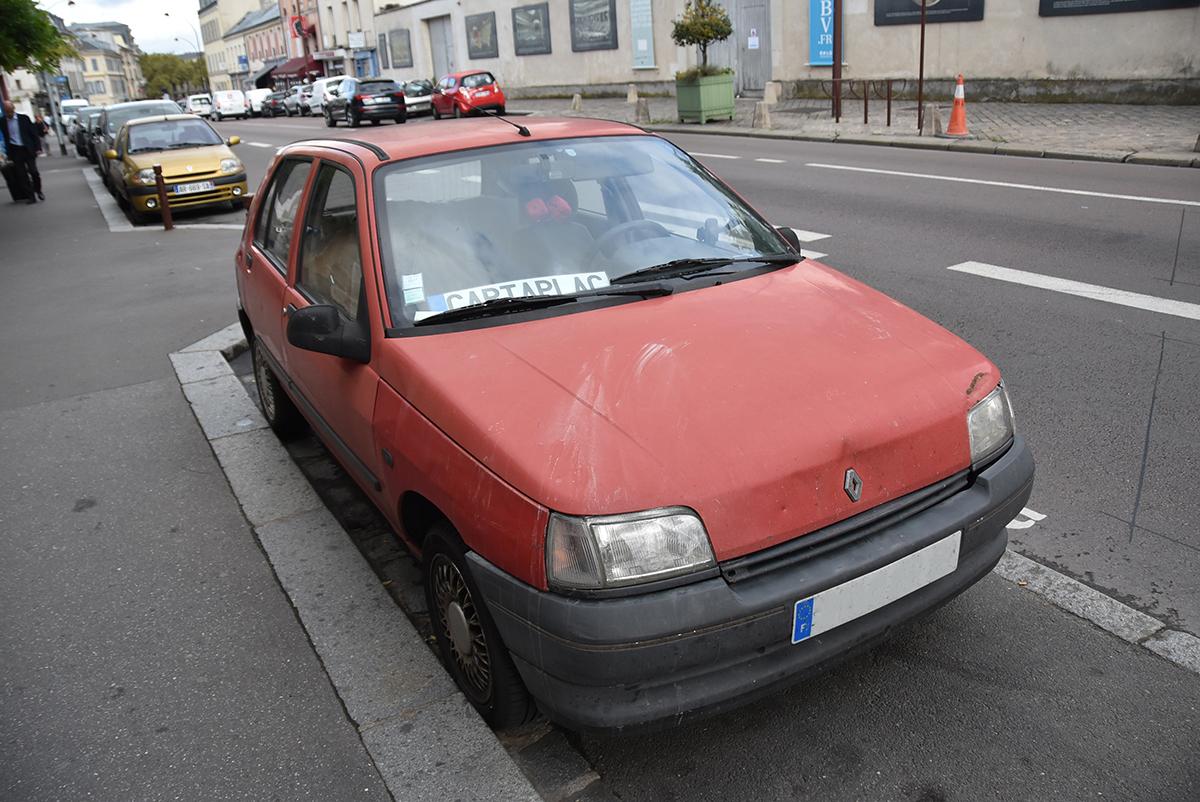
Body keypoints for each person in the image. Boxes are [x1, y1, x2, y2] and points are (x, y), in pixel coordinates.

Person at [1, 101, 43, 202]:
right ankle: (31, 196)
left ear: (13, 109)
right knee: (22, 175)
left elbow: (34, 134)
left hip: (27, 149)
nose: (9, 114)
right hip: (14, 150)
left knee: (34, 172)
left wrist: (38, 148)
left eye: (10, 111)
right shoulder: (2, 121)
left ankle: (38, 190)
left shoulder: (24, 119)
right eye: (7, 112)